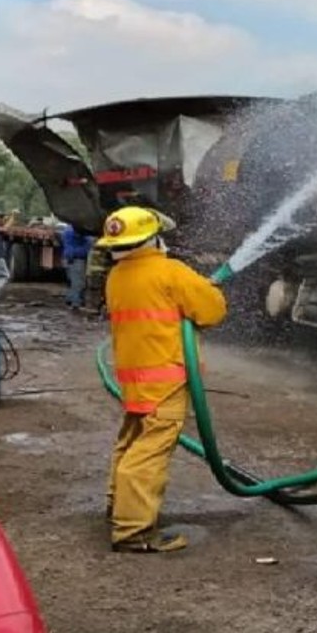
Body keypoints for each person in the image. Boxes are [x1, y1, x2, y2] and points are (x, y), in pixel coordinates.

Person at [97, 206, 226, 553]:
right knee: (150, 452)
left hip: (134, 378)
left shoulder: (117, 276)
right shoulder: (170, 271)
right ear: (153, 238)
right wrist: (202, 288)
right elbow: (212, 311)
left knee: (131, 441)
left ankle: (118, 509)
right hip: (165, 380)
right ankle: (133, 531)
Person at [60, 223, 94, 309]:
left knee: (71, 281)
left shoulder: (67, 230)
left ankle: (70, 299)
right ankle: (76, 303)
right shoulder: (78, 231)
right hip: (76, 258)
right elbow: (88, 240)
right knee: (78, 283)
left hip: (68, 258)